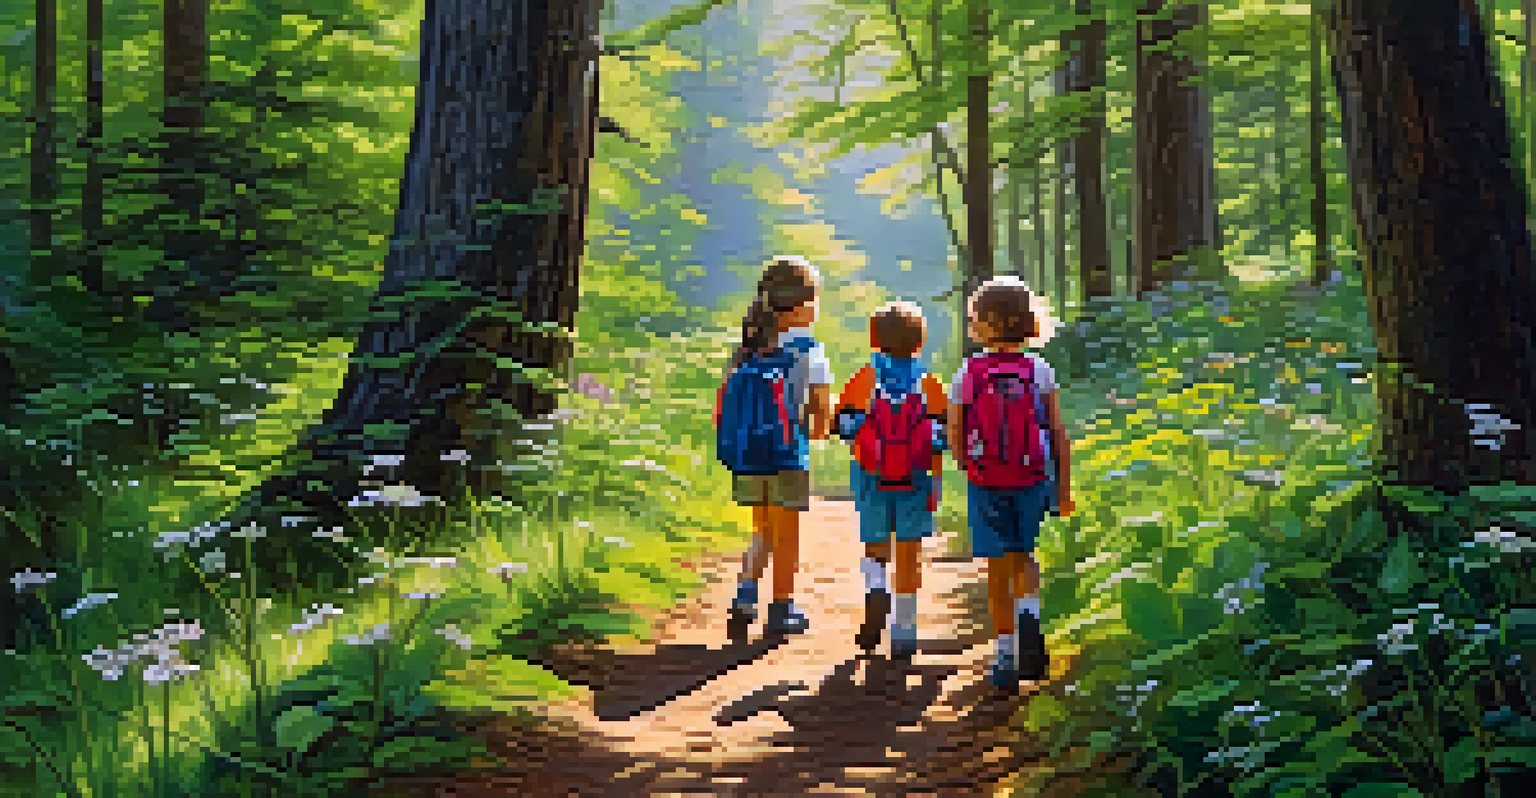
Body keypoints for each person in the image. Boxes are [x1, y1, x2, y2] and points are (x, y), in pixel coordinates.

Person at [947, 277, 1074, 690]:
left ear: (979, 325)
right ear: (1030, 322)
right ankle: (1031, 617)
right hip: (1033, 477)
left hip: (987, 480)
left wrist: (969, 464)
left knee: (997, 569)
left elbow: (954, 431)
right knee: (1025, 556)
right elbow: (1057, 432)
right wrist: (1064, 489)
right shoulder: (1040, 369)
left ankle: (1004, 654)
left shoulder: (968, 371)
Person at [715, 256, 833, 641]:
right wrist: (819, 432)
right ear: (799, 306)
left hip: (747, 456)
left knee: (761, 529)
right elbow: (821, 406)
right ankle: (781, 608)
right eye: (814, 298)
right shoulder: (809, 350)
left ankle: (745, 596)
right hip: (787, 455)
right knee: (787, 535)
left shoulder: (748, 349)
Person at [832, 301, 948, 662]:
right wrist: (937, 480)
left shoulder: (864, 378)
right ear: (919, 341)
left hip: (871, 476)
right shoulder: (929, 382)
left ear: (875, 338)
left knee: (876, 545)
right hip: (916, 476)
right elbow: (940, 436)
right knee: (910, 552)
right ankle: (905, 632)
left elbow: (843, 428)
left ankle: (876, 586)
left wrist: (867, 447)